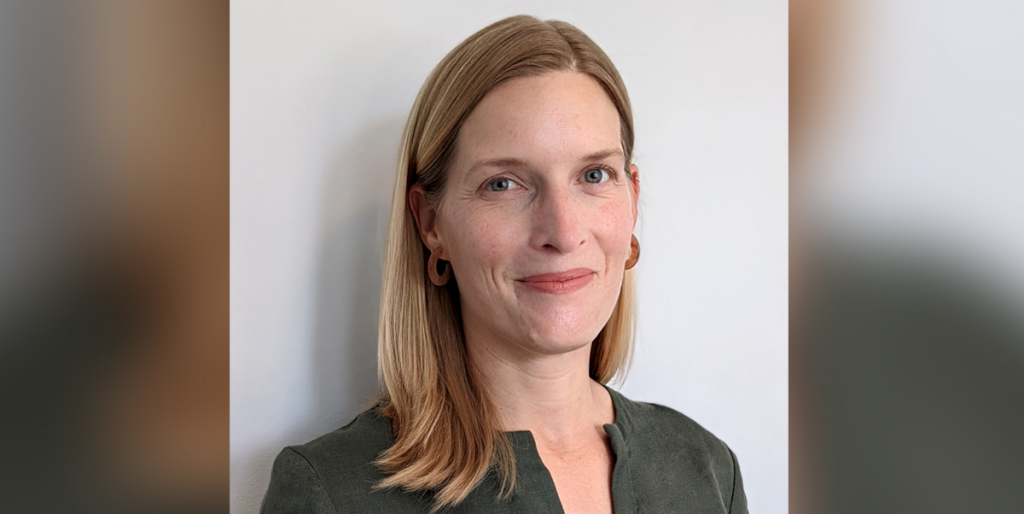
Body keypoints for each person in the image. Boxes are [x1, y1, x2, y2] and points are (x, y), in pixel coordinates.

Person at [260, 15, 747, 514]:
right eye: (504, 183)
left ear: (632, 198)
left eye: (594, 174)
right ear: (431, 223)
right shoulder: (331, 492)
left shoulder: (707, 469)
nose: (561, 232)